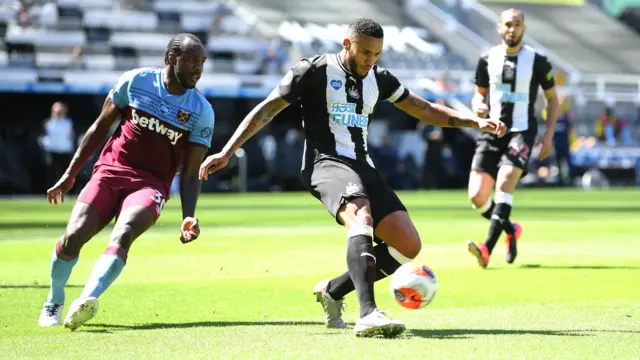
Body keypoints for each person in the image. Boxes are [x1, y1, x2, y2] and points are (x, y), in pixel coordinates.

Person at [199, 18, 505, 338]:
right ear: (347, 44)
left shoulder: (379, 78)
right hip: (325, 163)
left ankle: (333, 291)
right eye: (365, 52)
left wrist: (473, 122)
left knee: (407, 244)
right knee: (361, 216)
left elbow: (425, 109)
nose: (370, 60)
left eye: (376, 54)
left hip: (363, 166)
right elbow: (267, 108)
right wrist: (227, 150)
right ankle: (368, 313)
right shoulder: (314, 70)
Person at [38, 33, 215, 331]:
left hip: (151, 185)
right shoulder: (136, 81)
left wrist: (188, 214)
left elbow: (189, 172)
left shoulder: (201, 111)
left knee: (124, 234)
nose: (199, 68)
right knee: (73, 237)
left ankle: (88, 299)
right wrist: (71, 173)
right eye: (193, 60)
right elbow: (100, 127)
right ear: (173, 58)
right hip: (110, 171)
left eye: (203, 62)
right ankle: (54, 299)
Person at [466, 8, 559, 268]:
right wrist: (478, 107)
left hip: (521, 131)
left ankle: (486, 248)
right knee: (476, 196)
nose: (512, 29)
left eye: (517, 24)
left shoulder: (537, 61)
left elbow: (553, 100)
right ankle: (510, 228)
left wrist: (548, 134)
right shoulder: (487, 59)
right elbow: (478, 94)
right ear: (499, 27)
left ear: (523, 28)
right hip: (492, 132)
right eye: (508, 24)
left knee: (505, 181)